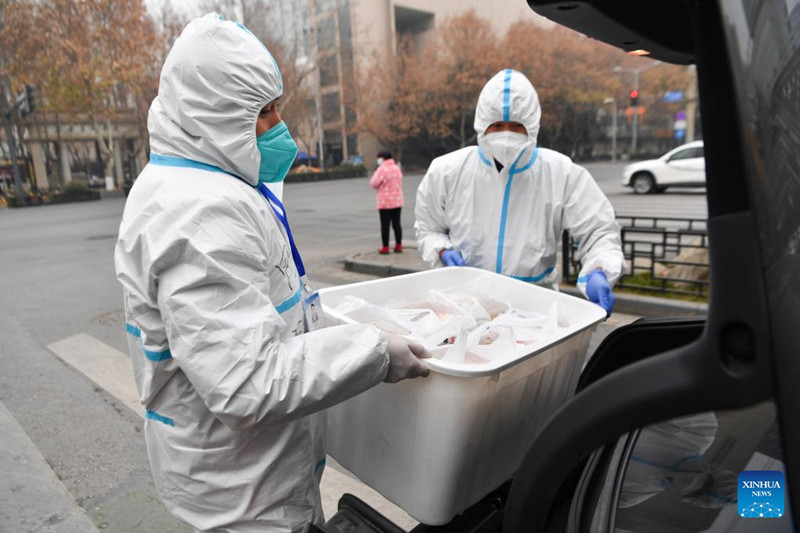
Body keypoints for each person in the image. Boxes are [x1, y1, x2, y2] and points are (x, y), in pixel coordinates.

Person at [114, 14, 430, 533]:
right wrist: (373, 351)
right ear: (213, 115)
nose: (278, 125)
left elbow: (267, 315)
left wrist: (337, 329)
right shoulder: (200, 212)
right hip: (244, 496)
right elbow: (246, 383)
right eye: (262, 112)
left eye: (277, 106)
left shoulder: (207, 182)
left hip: (249, 471)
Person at [415, 69, 625, 316]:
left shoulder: (561, 173)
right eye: (496, 125)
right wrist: (441, 249)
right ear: (482, 125)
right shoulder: (447, 171)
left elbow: (599, 231)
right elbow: (428, 228)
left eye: (516, 126)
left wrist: (599, 269)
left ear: (532, 126)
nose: (506, 134)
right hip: (463, 304)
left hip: (533, 308)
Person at [370, 150, 404, 254]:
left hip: (385, 202)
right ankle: (398, 245)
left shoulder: (381, 170)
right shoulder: (397, 168)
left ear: (382, 158)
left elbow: (374, 183)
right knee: (397, 224)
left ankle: (385, 247)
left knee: (385, 225)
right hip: (397, 201)